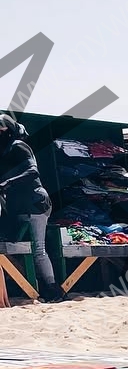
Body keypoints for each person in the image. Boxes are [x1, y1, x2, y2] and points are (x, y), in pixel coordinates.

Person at [0, 113, 64, 302]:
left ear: (8, 130)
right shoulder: (5, 152)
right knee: (17, 246)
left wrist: (7, 183)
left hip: (35, 203)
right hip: (19, 206)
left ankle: (53, 290)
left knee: (38, 249)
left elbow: (33, 171)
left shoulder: (18, 146)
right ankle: (31, 286)